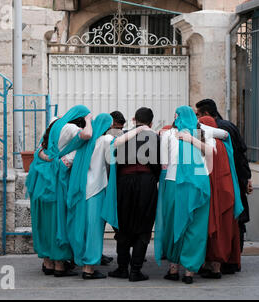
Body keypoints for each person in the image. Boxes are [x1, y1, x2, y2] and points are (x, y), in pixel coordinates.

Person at [66, 113, 153, 280]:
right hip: (97, 190)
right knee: (94, 230)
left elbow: (67, 160)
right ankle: (89, 268)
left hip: (81, 190)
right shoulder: (104, 140)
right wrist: (140, 129)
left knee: (82, 229)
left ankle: (83, 262)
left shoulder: (83, 142)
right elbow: (119, 142)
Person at [26, 105, 93, 277]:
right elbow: (87, 135)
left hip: (40, 179)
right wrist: (89, 120)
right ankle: (59, 265)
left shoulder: (54, 124)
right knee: (57, 220)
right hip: (55, 182)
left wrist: (49, 157)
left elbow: (40, 150)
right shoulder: (71, 128)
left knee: (43, 221)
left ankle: (47, 262)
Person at [154, 106, 212, 285]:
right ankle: (190, 271)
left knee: (173, 224)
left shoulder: (169, 135)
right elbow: (210, 152)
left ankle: (173, 269)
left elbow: (163, 164)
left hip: (174, 183)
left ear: (177, 117)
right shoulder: (201, 134)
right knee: (195, 227)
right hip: (199, 184)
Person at [195, 99, 253, 274]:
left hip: (217, 189)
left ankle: (215, 262)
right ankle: (232, 260)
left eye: (198, 114)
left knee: (220, 226)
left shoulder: (206, 139)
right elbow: (241, 155)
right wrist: (247, 178)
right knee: (233, 224)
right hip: (232, 185)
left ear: (205, 115)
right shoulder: (227, 130)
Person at [108, 107, 161, 282]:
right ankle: (135, 270)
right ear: (151, 122)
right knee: (144, 224)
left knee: (123, 224)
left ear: (134, 120)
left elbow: (114, 160)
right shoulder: (154, 137)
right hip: (146, 182)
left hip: (124, 182)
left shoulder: (123, 136)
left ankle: (122, 267)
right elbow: (157, 165)